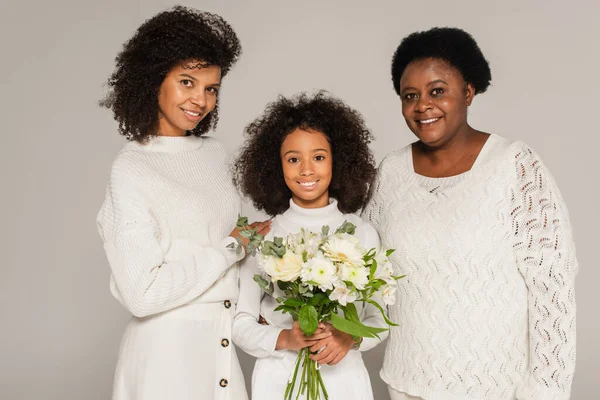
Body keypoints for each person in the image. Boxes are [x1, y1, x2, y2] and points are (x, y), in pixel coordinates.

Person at [363, 27, 578, 400]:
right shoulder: (392, 173)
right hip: (405, 382)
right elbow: (366, 272)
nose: (422, 105)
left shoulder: (515, 166)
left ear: (468, 91)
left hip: (497, 387)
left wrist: (546, 391)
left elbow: (552, 290)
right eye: (409, 95)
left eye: (437, 91)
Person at [97, 6, 270, 400]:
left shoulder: (215, 154)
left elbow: (234, 249)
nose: (200, 100)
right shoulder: (132, 168)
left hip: (222, 346)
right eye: (187, 82)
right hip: (167, 358)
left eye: (211, 88)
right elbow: (142, 295)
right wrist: (231, 247)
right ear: (153, 79)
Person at [232, 92, 388, 399]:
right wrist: (286, 338)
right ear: (276, 166)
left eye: (318, 157)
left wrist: (350, 338)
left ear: (337, 160)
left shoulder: (362, 232)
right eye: (293, 159)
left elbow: (379, 319)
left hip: (343, 378)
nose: (306, 170)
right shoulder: (265, 234)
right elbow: (240, 325)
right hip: (279, 381)